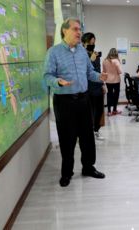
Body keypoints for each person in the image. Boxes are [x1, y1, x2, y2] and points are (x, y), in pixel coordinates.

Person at [43, 18, 107, 187]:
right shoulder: (54, 52)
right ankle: (67, 172)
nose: (79, 32)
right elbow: (47, 76)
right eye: (75, 29)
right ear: (65, 31)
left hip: (83, 100)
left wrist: (99, 77)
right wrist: (58, 81)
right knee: (67, 137)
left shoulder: (81, 52)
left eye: (80, 29)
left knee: (87, 136)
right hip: (64, 101)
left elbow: (89, 72)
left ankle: (88, 167)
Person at [82, 32, 106, 141]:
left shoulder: (96, 55)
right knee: (88, 111)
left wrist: (103, 84)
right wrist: (90, 60)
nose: (92, 45)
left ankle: (96, 130)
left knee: (99, 110)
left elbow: (98, 71)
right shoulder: (81, 55)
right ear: (83, 43)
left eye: (93, 43)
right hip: (86, 88)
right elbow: (83, 72)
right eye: (90, 43)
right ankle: (88, 132)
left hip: (97, 86)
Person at [103, 48, 123, 116]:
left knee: (109, 95)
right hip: (116, 81)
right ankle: (114, 110)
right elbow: (120, 71)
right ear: (116, 53)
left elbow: (104, 71)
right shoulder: (116, 61)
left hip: (108, 81)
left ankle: (108, 111)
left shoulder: (105, 60)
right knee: (116, 95)